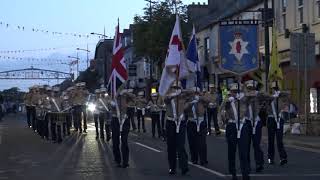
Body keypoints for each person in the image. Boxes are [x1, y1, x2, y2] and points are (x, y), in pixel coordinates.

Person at [220, 83, 251, 180]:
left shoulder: (244, 99)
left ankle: (245, 174)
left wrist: (244, 90)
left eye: (237, 91)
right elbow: (221, 109)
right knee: (232, 151)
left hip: (243, 126)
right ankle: (233, 172)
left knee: (243, 152)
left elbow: (254, 95)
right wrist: (227, 101)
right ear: (231, 92)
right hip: (232, 126)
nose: (235, 93)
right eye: (234, 91)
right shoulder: (228, 101)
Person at [164, 82, 189, 175]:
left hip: (181, 122)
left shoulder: (183, 95)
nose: (176, 88)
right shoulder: (168, 95)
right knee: (171, 146)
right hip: (171, 122)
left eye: (177, 87)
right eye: (174, 87)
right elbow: (165, 100)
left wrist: (182, 91)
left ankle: (184, 167)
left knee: (181, 145)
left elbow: (193, 92)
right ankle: (172, 167)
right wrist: (174, 94)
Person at [111, 88, 135, 168]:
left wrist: (126, 93)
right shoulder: (112, 95)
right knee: (115, 141)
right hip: (115, 120)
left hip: (125, 120)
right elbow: (109, 105)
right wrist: (115, 96)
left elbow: (134, 97)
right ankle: (118, 160)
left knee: (124, 141)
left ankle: (125, 161)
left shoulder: (125, 95)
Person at [244, 80, 265, 172]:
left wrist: (258, 93)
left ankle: (259, 163)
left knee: (256, 144)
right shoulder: (244, 96)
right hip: (247, 122)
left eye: (252, 88)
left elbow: (266, 96)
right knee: (246, 145)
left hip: (256, 121)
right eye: (249, 88)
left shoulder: (258, 95)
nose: (250, 90)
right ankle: (246, 164)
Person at [185, 87, 209, 166]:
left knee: (202, 142)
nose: (195, 94)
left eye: (197, 93)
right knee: (192, 142)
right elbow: (184, 109)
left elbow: (208, 102)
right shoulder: (188, 100)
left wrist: (200, 97)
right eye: (194, 93)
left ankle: (203, 160)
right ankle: (194, 159)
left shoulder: (201, 99)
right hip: (191, 122)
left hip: (201, 122)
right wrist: (191, 102)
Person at [267, 81, 288, 166]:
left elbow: (287, 94)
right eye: (273, 89)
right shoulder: (269, 97)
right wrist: (271, 97)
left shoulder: (281, 97)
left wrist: (279, 93)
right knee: (271, 140)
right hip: (271, 119)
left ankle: (283, 157)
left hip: (279, 119)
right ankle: (270, 158)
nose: (274, 90)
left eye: (276, 89)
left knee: (279, 140)